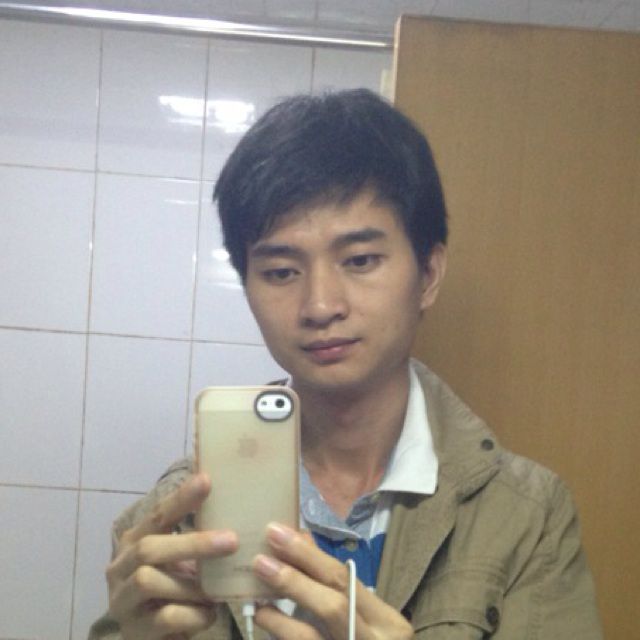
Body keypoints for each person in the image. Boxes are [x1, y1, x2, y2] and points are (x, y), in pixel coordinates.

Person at [89, 89, 603, 639]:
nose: (320, 306)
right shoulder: (177, 519)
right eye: (281, 272)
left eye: (359, 260)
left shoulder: (525, 516)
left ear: (428, 275)